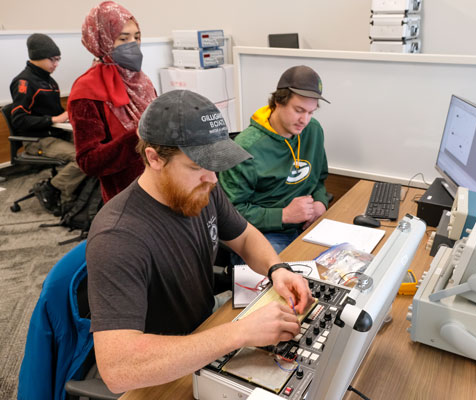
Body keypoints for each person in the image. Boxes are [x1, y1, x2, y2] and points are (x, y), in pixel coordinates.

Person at [85, 89, 313, 393]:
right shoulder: (118, 237)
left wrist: (277, 269)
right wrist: (239, 333)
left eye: (215, 164)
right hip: (163, 367)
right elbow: (118, 369)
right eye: (197, 166)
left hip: (206, 326)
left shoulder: (201, 188)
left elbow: (244, 237)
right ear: (154, 158)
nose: (213, 178)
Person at [219, 65, 330, 256]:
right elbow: (230, 213)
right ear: (278, 102)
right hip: (263, 234)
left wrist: (320, 203)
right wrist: (284, 215)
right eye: (298, 110)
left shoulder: (313, 130)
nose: (304, 120)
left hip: (307, 224)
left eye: (311, 113)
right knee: (291, 279)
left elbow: (319, 179)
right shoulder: (246, 147)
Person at [68, 1, 156, 203]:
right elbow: (89, 162)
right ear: (102, 40)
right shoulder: (87, 91)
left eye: (137, 37)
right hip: (127, 197)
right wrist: (137, 137)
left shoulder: (142, 81)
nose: (133, 44)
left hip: (162, 184)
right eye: (123, 38)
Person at [9, 33, 87, 212]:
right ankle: (51, 189)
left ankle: (70, 198)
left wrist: (68, 115)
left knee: (90, 151)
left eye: (58, 59)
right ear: (37, 57)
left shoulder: (49, 81)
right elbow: (19, 120)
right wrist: (53, 119)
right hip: (37, 140)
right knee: (80, 159)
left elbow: (54, 111)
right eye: (52, 59)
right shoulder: (24, 82)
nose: (56, 64)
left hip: (54, 135)